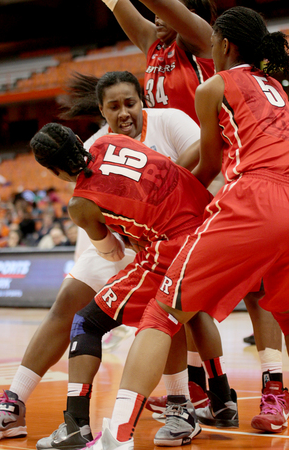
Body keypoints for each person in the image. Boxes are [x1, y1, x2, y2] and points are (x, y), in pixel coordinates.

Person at [81, 6, 289, 449]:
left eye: (213, 40)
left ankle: (116, 437)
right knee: (280, 309)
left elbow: (210, 163)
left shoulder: (215, 84)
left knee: (162, 310)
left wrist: (162, 201)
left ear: (224, 45)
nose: (208, 46)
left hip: (253, 198)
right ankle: (250, 393)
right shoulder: (277, 87)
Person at [0, 71, 211, 444]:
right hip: (154, 235)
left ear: (143, 101)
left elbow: (204, 154)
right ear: (99, 115)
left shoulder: (169, 119)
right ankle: (15, 403)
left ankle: (182, 404)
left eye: (130, 103)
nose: (124, 112)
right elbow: (110, 248)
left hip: (167, 238)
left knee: (156, 310)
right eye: (114, 106)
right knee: (72, 303)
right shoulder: (104, 141)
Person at [100, 0, 215, 124]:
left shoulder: (202, 40)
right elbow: (115, 2)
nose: (157, 14)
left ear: (191, 14)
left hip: (203, 140)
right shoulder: (155, 45)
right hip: (166, 142)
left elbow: (158, 3)